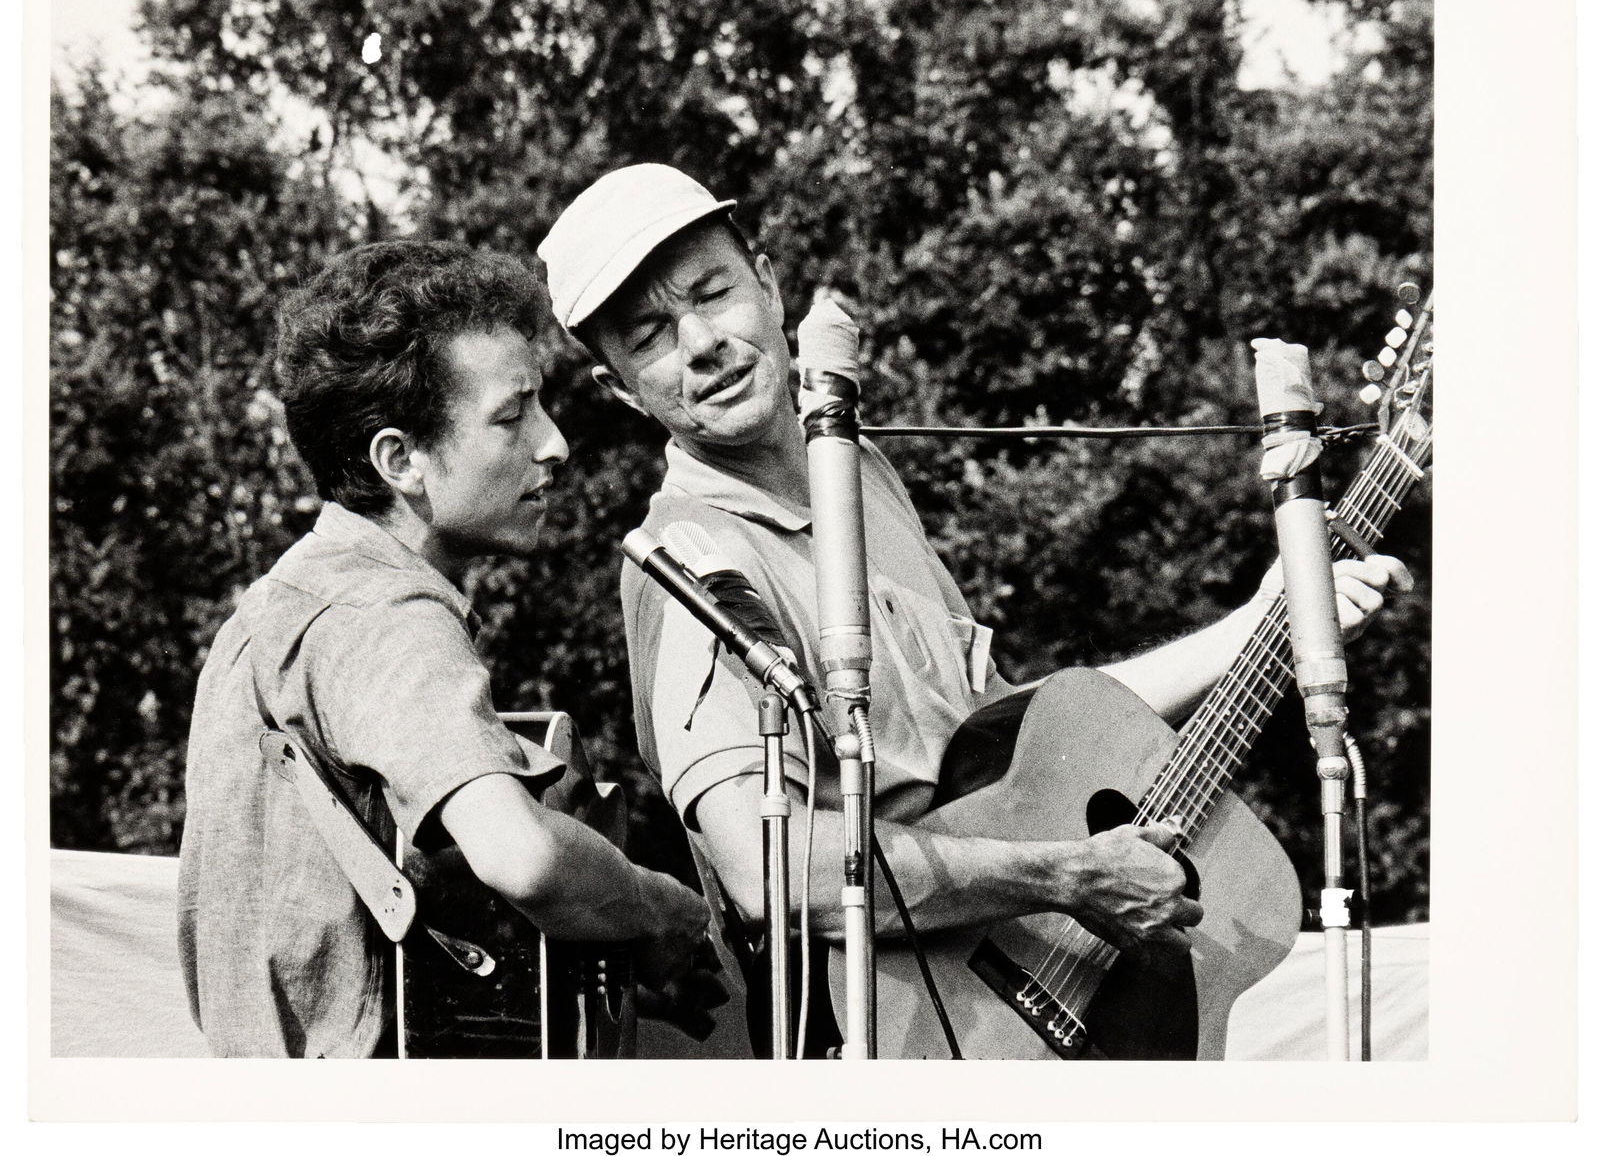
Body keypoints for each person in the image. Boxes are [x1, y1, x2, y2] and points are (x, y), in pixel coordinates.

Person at [536, 165, 1413, 1053]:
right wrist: (1067, 877)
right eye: (649, 335)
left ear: (768, 283)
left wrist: (1262, 623)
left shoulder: (858, 471)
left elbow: (1033, 744)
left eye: (713, 293)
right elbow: (768, 868)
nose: (701, 344)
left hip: (1023, 1010)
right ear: (620, 391)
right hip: (885, 1044)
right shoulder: (689, 558)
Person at [177, 241, 709, 1058]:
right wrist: (662, 909)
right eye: (512, 415)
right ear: (401, 461)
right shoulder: (384, 614)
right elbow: (523, 856)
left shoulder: (282, 607)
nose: (554, 444)